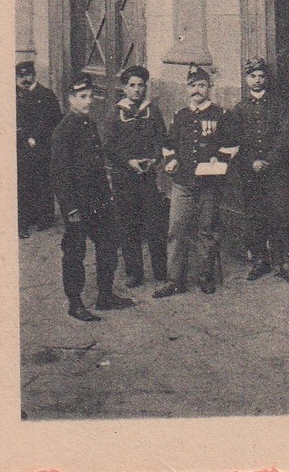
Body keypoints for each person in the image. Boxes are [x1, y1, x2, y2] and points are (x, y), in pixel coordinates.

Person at [49, 74, 132, 321]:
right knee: (75, 252)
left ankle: (105, 296)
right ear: (71, 99)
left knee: (108, 245)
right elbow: (59, 175)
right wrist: (70, 209)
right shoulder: (63, 132)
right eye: (82, 97)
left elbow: (96, 166)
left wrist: (107, 196)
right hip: (78, 203)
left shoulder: (89, 124)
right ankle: (75, 303)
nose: (88, 102)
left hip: (99, 200)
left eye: (90, 97)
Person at [155, 65, 239, 298]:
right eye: (193, 86)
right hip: (182, 183)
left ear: (209, 87)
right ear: (187, 88)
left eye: (201, 85)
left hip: (209, 185)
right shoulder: (180, 116)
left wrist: (218, 158)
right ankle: (175, 280)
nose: (197, 90)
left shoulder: (221, 115)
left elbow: (232, 145)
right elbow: (169, 144)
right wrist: (170, 161)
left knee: (206, 231)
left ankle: (205, 275)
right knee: (176, 230)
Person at [227, 58, 289, 284]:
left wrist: (268, 160)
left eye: (261, 76)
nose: (257, 81)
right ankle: (260, 260)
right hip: (250, 172)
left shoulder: (279, 105)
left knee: (281, 213)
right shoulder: (239, 108)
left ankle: (283, 262)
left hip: (276, 171)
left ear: (267, 79)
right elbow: (235, 140)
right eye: (253, 76)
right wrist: (251, 162)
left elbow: (285, 136)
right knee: (255, 215)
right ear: (247, 79)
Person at [98, 64, 167, 287]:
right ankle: (134, 271)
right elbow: (108, 146)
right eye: (132, 86)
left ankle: (160, 269)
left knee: (154, 223)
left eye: (141, 85)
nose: (137, 90)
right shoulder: (115, 113)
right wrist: (128, 162)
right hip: (124, 177)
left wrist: (155, 159)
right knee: (128, 225)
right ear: (124, 88)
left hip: (147, 177)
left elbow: (161, 138)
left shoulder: (152, 111)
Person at [15, 60, 61, 237]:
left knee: (42, 180)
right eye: (21, 77)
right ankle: (25, 219)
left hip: (41, 146)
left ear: (34, 75)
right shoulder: (15, 95)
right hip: (22, 146)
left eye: (28, 76)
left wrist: (36, 137)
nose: (24, 80)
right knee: (23, 182)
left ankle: (44, 217)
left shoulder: (46, 95)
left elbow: (52, 120)